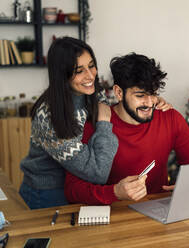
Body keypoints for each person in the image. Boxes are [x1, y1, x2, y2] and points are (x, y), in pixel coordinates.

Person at [19, 37, 171, 209]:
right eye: (79, 70)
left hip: (77, 188)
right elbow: (97, 173)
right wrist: (104, 126)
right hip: (48, 194)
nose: (90, 75)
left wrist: (149, 99)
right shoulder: (49, 117)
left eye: (91, 65)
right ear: (63, 74)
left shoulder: (92, 94)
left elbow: (124, 100)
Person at [65, 53, 189, 205]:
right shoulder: (96, 124)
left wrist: (188, 187)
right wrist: (115, 192)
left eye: (153, 94)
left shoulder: (170, 118)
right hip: (115, 214)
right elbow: (72, 190)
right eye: (140, 95)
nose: (149, 103)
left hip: (159, 210)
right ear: (119, 93)